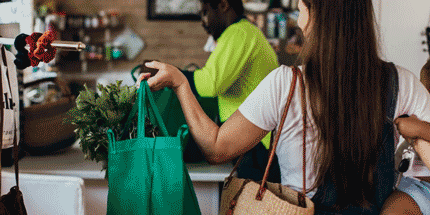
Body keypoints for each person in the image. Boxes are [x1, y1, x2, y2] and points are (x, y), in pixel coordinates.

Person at [137, 0, 430, 213]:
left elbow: (217, 148)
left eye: (301, 6)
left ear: (312, 15)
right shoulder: (402, 82)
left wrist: (180, 83)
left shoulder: (285, 83)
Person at [182, 0, 281, 182]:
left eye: (205, 12)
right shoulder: (246, 32)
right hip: (252, 138)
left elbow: (210, 84)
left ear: (223, 5)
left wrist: (176, 76)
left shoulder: (239, 33)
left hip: (253, 143)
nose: (203, 21)